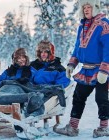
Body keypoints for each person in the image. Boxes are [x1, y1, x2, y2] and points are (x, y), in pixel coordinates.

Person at [53, 0, 109, 138]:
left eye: (89, 7)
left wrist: (104, 70)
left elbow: (108, 48)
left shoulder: (104, 24)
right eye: (84, 7)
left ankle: (104, 128)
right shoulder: (82, 26)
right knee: (78, 97)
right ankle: (72, 128)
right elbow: (78, 47)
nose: (86, 9)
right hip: (86, 70)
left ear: (95, 8)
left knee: (101, 98)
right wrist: (72, 64)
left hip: (101, 70)